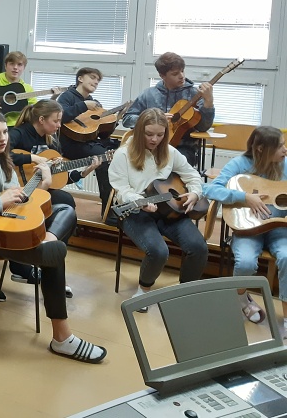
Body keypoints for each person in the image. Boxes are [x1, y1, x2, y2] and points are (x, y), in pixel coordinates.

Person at [0, 110, 107, 364]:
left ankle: (46, 239)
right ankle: (62, 338)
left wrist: (42, 185)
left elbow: (15, 195)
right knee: (54, 254)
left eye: (4, 132)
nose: (3, 138)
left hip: (3, 223)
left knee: (65, 210)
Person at [108, 108, 208, 311]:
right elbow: (122, 190)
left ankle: (185, 292)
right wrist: (140, 201)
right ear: (139, 132)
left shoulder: (170, 152)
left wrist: (195, 193)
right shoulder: (123, 155)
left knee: (198, 247)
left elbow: (192, 175)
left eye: (160, 135)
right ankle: (143, 291)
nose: (155, 139)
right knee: (158, 251)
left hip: (169, 211)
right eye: (149, 134)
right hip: (135, 212)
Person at [203, 126, 287, 334]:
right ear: (261, 149)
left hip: (279, 229)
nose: (285, 149)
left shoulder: (285, 165)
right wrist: (244, 197)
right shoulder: (239, 164)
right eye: (280, 146)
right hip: (248, 228)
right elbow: (210, 189)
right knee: (246, 262)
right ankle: (241, 300)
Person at [7, 99, 95, 289]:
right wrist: (32, 158)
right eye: (56, 121)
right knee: (64, 203)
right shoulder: (19, 133)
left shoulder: (51, 141)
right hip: (17, 189)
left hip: (41, 189)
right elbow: (2, 154)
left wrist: (83, 173)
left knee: (66, 201)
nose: (59, 125)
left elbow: (58, 178)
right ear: (41, 119)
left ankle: (50, 252)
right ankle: (35, 259)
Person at [122, 52, 214, 168]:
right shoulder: (149, 94)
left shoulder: (195, 94)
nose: (181, 76)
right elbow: (127, 119)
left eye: (182, 71)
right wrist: (151, 119)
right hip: (149, 147)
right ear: (162, 75)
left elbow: (204, 127)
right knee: (127, 161)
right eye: (175, 74)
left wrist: (208, 102)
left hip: (182, 148)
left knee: (168, 165)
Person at [57, 67, 115, 214]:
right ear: (80, 78)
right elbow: (61, 116)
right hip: (70, 144)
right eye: (92, 77)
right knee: (103, 158)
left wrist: (112, 123)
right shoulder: (66, 97)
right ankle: (107, 211)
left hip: (89, 142)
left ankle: (119, 203)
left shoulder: (94, 103)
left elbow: (102, 135)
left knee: (122, 150)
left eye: (98, 80)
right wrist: (83, 106)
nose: (96, 82)